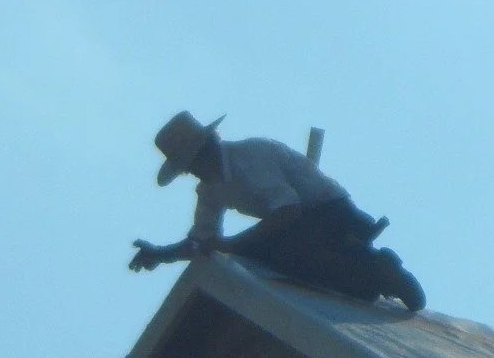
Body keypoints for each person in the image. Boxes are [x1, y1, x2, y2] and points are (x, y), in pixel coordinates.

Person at [130, 112, 424, 312]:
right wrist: (160, 253)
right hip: (294, 225)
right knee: (264, 262)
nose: (193, 172)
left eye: (193, 163)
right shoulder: (209, 190)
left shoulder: (251, 156)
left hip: (329, 212)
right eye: (188, 168)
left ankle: (382, 269)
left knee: (272, 253)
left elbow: (289, 211)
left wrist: (233, 244)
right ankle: (372, 279)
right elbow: (200, 241)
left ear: (207, 150)